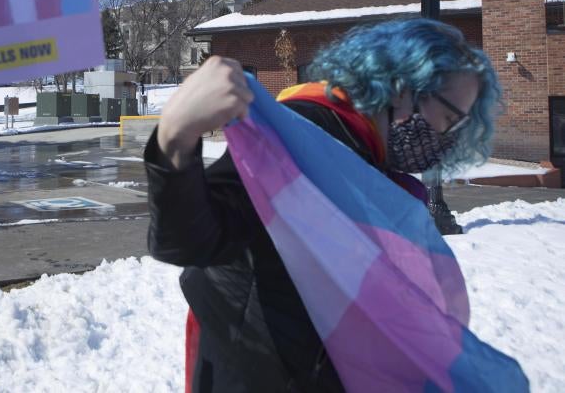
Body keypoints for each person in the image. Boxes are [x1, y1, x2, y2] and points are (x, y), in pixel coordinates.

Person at [146, 19, 500, 392]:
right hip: (259, 371)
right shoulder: (303, 135)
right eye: (447, 118)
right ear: (401, 87)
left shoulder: (375, 163)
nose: (444, 138)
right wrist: (175, 137)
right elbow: (189, 240)